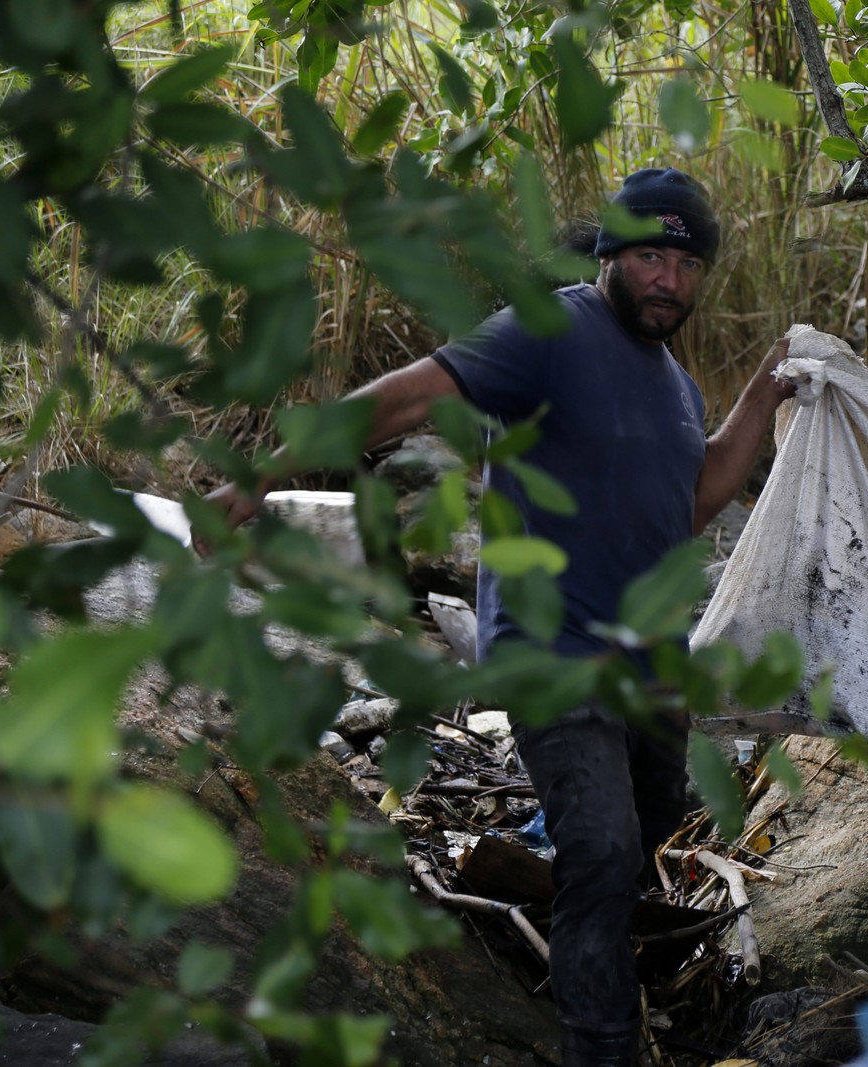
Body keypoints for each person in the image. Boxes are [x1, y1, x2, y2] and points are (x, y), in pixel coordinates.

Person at [202, 167, 795, 1066]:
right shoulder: (549, 330)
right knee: (599, 849)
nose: (669, 279)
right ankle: (601, 1048)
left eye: (685, 261)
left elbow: (693, 503)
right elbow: (406, 395)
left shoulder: (677, 386)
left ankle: (599, 984)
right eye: (648, 256)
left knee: (636, 849)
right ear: (610, 254)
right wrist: (259, 475)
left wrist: (763, 393)